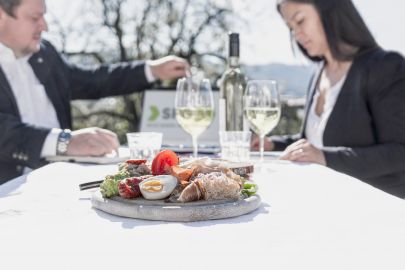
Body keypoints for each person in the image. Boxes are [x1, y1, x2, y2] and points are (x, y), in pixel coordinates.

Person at [0, 0, 189, 184]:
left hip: (61, 181)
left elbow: (91, 80)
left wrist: (151, 70)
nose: (45, 26)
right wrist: (65, 142)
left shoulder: (45, 54)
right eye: (35, 17)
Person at [253, 0, 405, 198]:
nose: (296, 33)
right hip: (327, 198)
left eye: (300, 21)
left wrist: (324, 157)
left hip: (377, 207)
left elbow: (399, 152)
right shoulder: (319, 73)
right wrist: (272, 144)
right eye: (290, 27)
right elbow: (312, 143)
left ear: (330, 11)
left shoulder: (385, 66)